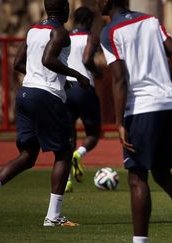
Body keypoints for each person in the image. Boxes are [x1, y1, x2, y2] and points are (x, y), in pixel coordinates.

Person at [97, 0, 172, 242]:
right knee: (162, 172)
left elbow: (118, 80)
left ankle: (140, 241)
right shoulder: (150, 20)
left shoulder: (109, 32)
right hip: (167, 104)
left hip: (140, 109)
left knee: (137, 177)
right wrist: (170, 89)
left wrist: (118, 123)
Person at [0, 0, 91, 227]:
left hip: (25, 94)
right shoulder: (60, 32)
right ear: (65, 10)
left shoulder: (33, 30)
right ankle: (53, 217)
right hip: (47, 98)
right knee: (64, 154)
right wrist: (77, 76)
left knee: (28, 156)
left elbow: (18, 63)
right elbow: (48, 59)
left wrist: (46, 78)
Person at [64, 6, 103, 193]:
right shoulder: (91, 37)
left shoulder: (64, 37)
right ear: (88, 21)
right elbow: (87, 60)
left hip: (65, 88)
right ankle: (78, 154)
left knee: (68, 136)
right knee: (93, 135)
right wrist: (98, 72)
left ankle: (66, 181)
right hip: (84, 87)